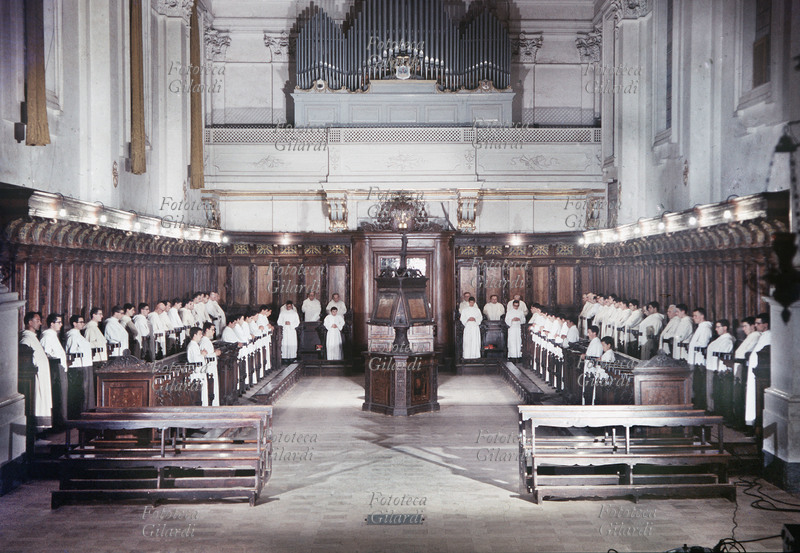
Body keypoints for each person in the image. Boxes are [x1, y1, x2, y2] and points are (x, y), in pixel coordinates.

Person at [20, 312, 53, 430]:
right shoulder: (26, 339)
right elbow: (25, 357)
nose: (40, 323)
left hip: (41, 378)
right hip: (35, 379)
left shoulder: (33, 338)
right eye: (37, 320)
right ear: (30, 322)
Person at [40, 313, 68, 425]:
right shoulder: (47, 336)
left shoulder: (53, 335)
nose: (61, 325)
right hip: (55, 369)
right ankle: (59, 423)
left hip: (60, 367)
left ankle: (62, 421)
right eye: (59, 322)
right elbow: (46, 353)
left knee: (62, 396)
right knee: (59, 396)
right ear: (52, 323)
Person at [65, 315, 94, 414]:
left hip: (84, 365)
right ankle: (79, 413)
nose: (83, 324)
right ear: (74, 323)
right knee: (80, 392)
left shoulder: (78, 335)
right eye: (80, 322)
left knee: (84, 392)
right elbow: (72, 352)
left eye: (83, 322)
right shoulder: (72, 335)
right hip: (78, 367)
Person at [745, 313, 771, 426]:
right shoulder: (763, 335)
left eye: (758, 323)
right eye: (755, 323)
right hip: (755, 372)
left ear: (766, 324)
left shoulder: (769, 335)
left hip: (760, 373)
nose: (755, 326)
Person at [705, 319, 735, 411]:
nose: (716, 329)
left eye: (718, 327)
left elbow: (723, 354)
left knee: (715, 392)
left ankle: (713, 411)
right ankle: (710, 409)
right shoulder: (721, 338)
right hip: (711, 367)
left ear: (725, 328)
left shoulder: (728, 339)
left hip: (718, 369)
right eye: (716, 327)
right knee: (710, 391)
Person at [185, 327, 209, 406]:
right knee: (200, 396)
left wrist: (201, 354)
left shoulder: (195, 345)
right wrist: (202, 354)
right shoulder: (192, 345)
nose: (201, 336)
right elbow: (195, 360)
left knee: (203, 394)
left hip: (200, 372)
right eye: (199, 334)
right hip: (196, 373)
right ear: (194, 335)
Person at [199, 322, 222, 406]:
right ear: (207, 330)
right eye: (212, 330)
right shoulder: (204, 341)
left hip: (212, 366)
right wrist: (215, 354)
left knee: (214, 387)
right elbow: (205, 356)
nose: (214, 332)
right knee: (211, 387)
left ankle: (214, 404)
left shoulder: (207, 340)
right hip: (209, 367)